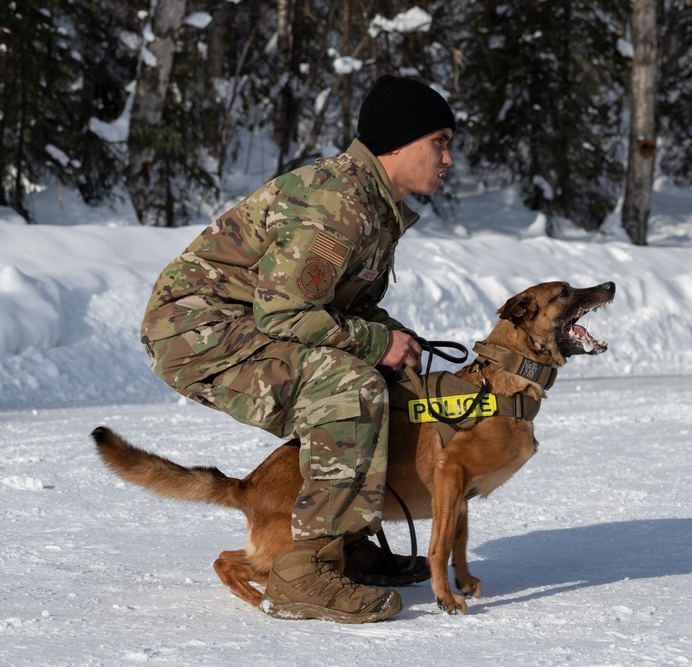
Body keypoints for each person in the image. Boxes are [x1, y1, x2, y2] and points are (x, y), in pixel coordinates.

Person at [139, 75, 456, 623]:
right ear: (398, 143)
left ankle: (342, 544)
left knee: (373, 375)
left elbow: (336, 307)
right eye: (440, 142)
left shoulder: (374, 205)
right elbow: (284, 312)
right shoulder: (338, 203)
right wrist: (377, 342)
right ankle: (304, 573)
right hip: (195, 332)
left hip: (242, 324)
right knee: (347, 387)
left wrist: (397, 339)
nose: (448, 158)